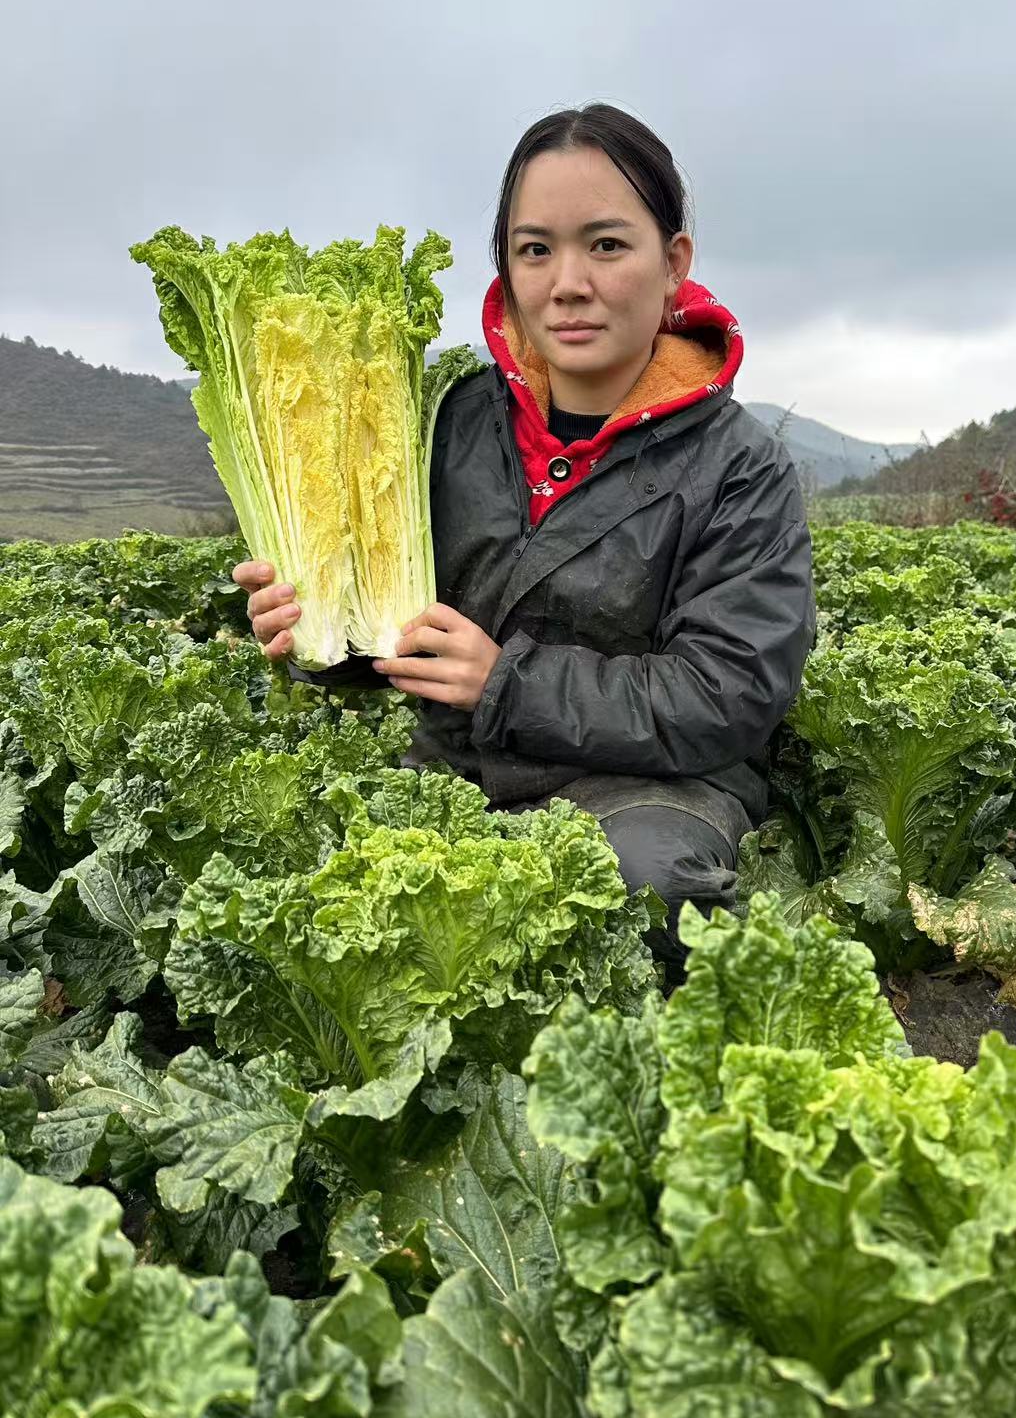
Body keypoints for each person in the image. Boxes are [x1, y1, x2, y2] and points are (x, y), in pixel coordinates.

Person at [233, 103, 816, 979]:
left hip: (646, 789)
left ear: (673, 266)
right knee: (271, 881)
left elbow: (724, 694)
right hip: (455, 768)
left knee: (647, 893)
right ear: (506, 268)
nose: (567, 282)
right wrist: (317, 631)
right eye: (535, 248)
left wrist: (507, 681)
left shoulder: (742, 467)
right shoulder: (445, 422)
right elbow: (408, 636)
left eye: (607, 245)